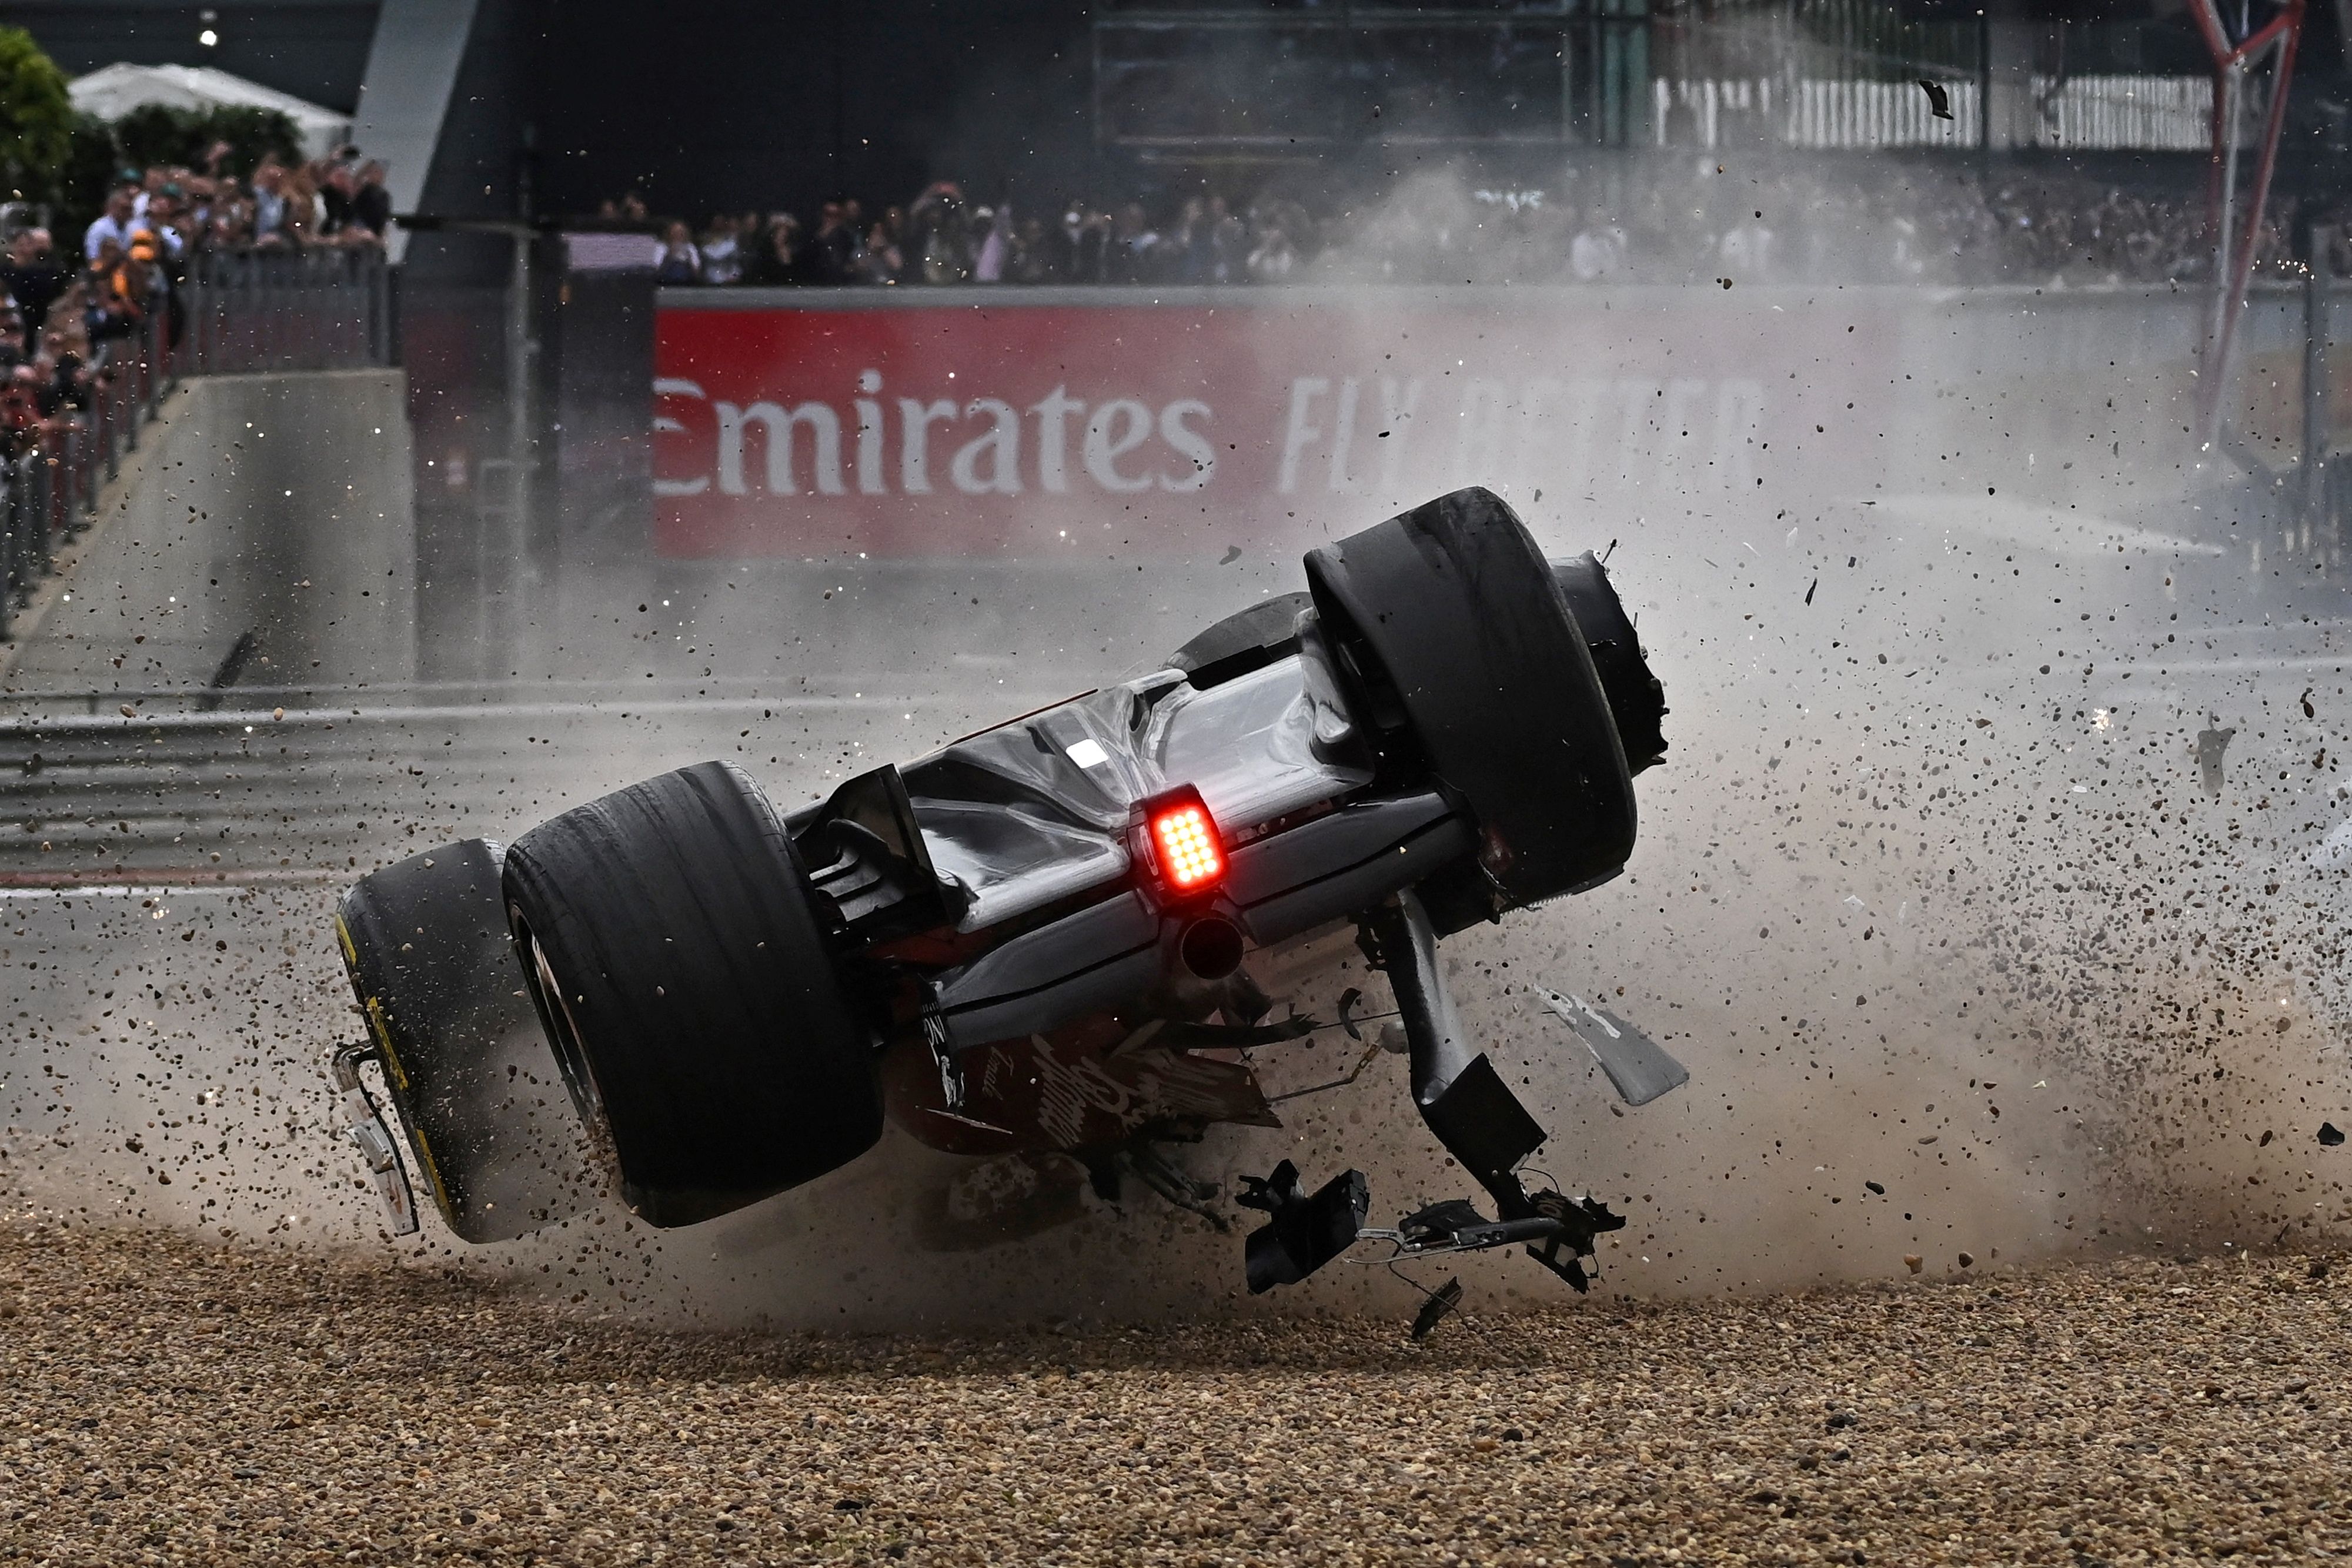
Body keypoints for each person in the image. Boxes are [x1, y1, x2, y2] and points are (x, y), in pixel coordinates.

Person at [83, 186, 137, 262]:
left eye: (130, 209)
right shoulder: (99, 228)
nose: (128, 213)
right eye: (124, 209)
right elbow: (92, 257)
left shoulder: (132, 228)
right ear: (113, 207)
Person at [653, 220, 702, 284]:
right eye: (675, 232)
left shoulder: (690, 247)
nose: (678, 235)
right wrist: (669, 255)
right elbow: (656, 269)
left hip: (687, 282)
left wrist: (689, 259)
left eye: (680, 232)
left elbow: (697, 271)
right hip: (665, 282)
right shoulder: (661, 247)